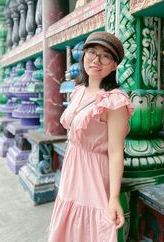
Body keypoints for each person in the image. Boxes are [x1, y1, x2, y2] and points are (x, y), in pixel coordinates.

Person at [48, 31, 134, 242]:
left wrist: (113, 198)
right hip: (72, 171)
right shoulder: (78, 91)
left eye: (105, 56)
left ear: (114, 65)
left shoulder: (115, 102)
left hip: (94, 173)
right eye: (92, 52)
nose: (96, 60)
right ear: (84, 55)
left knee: (92, 230)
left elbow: (115, 152)